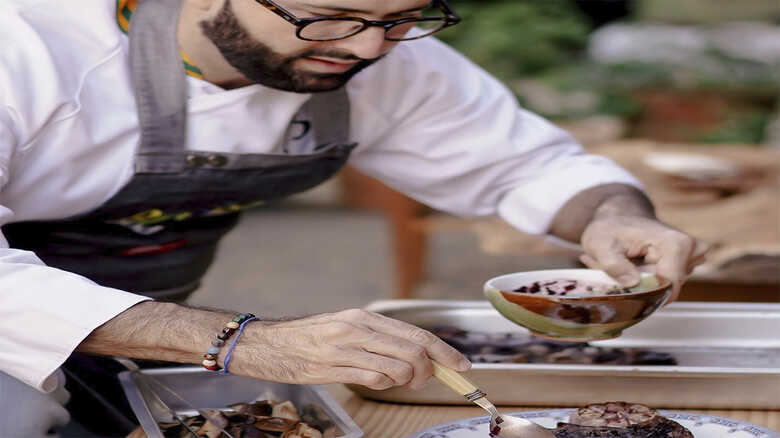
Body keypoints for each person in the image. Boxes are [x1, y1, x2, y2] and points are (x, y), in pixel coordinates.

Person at [0, 0, 708, 435]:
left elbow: (528, 165)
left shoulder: (377, 58)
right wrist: (239, 340)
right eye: (326, 16)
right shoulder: (27, 49)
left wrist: (613, 216)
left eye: (400, 19)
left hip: (146, 336)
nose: (366, 48)